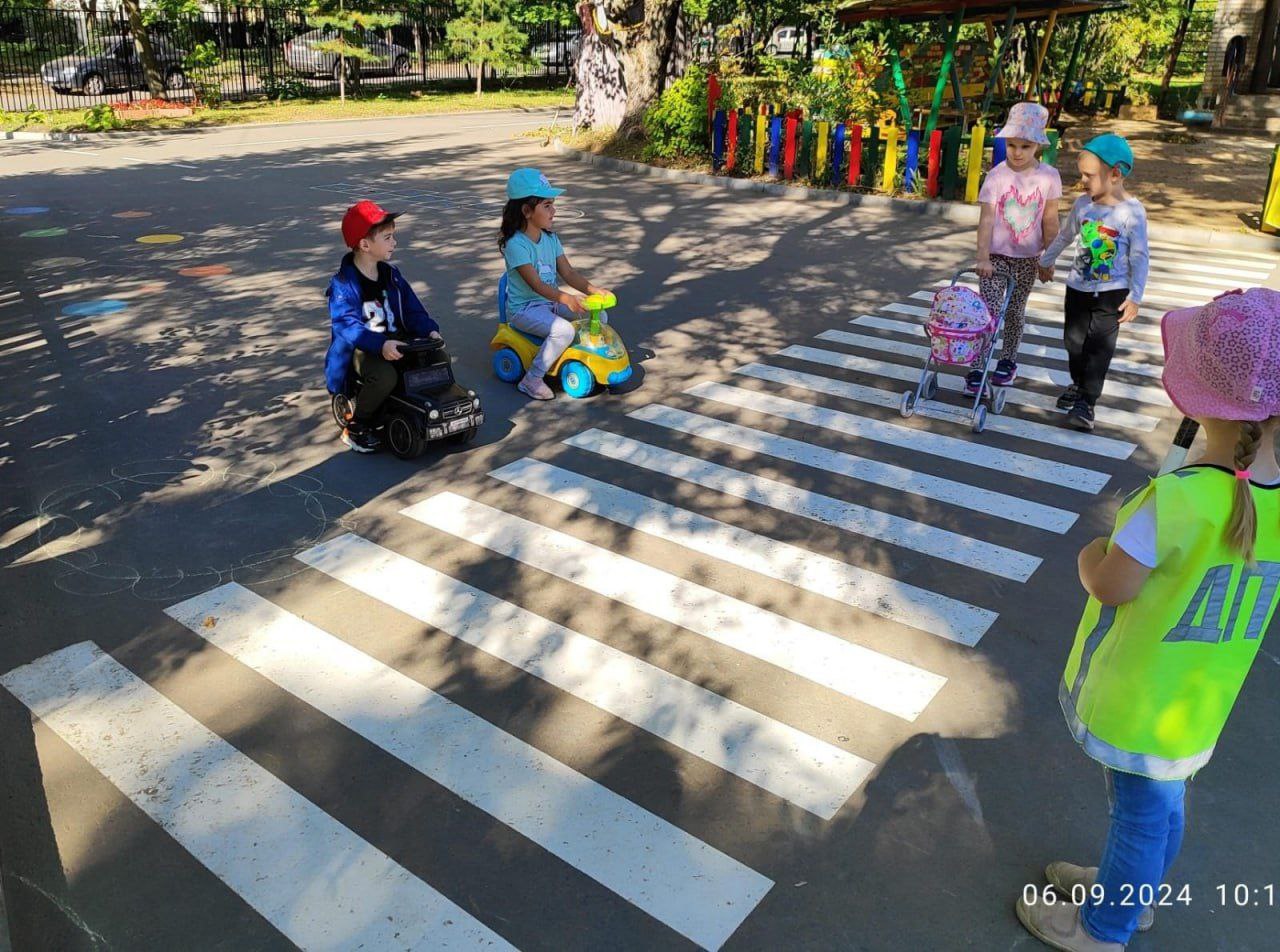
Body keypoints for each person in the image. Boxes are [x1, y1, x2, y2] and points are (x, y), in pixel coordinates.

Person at [1015, 287, 1280, 952]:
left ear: (1191, 398)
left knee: (1138, 815)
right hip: (1199, 701)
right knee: (1164, 807)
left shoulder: (1176, 501)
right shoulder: (1269, 505)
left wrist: (1089, 552)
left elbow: (1109, 584)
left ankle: (1105, 928)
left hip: (1140, 697)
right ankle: (1132, 896)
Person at [1037, 133, 1149, 432]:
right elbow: (1065, 236)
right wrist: (1046, 262)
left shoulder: (1132, 212)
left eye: (1089, 175)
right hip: (1078, 287)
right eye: (1081, 174)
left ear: (1115, 174)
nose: (1083, 181)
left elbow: (1139, 256)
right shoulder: (1083, 205)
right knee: (1073, 342)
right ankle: (1078, 383)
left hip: (1112, 292)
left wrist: (1136, 296)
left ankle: (1087, 402)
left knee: (1099, 346)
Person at [325, 200, 440, 452]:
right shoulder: (343, 284)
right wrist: (381, 344)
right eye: (387, 237)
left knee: (439, 356)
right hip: (363, 348)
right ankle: (357, 426)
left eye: (393, 236)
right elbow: (347, 326)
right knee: (385, 375)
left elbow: (412, 310)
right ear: (365, 245)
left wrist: (429, 329)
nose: (394, 242)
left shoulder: (392, 276)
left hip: (395, 340)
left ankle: (428, 410)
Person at [968, 101, 1063, 393]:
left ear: (1038, 146)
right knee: (990, 312)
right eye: (1012, 145)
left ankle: (1007, 361)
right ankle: (978, 366)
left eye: (1025, 146)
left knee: (1015, 311)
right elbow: (986, 220)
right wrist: (982, 257)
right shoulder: (997, 175)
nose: (1017, 153)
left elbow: (1050, 220)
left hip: (1027, 259)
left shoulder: (1048, 176)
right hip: (995, 258)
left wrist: (1048, 259)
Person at [499, 167, 611, 401]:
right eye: (547, 205)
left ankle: (573, 355)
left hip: (549, 304)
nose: (554, 211)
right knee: (563, 330)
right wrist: (567, 299)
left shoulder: (550, 238)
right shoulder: (516, 245)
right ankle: (532, 379)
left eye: (553, 204)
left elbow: (568, 272)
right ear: (527, 211)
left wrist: (593, 291)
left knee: (598, 316)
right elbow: (537, 285)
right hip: (525, 309)